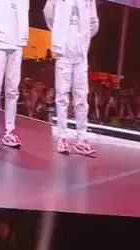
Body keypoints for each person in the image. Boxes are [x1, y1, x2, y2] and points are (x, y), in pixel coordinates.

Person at [44, 0, 99, 156]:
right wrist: (58, 34)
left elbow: (94, 21)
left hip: (81, 53)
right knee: (62, 96)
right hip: (63, 51)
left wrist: (84, 38)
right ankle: (62, 137)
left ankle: (82, 139)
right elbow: (48, 12)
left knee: (81, 97)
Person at [0, 0, 29, 148]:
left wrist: (23, 36)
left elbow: (25, 11)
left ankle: (10, 130)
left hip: (17, 40)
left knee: (13, 89)